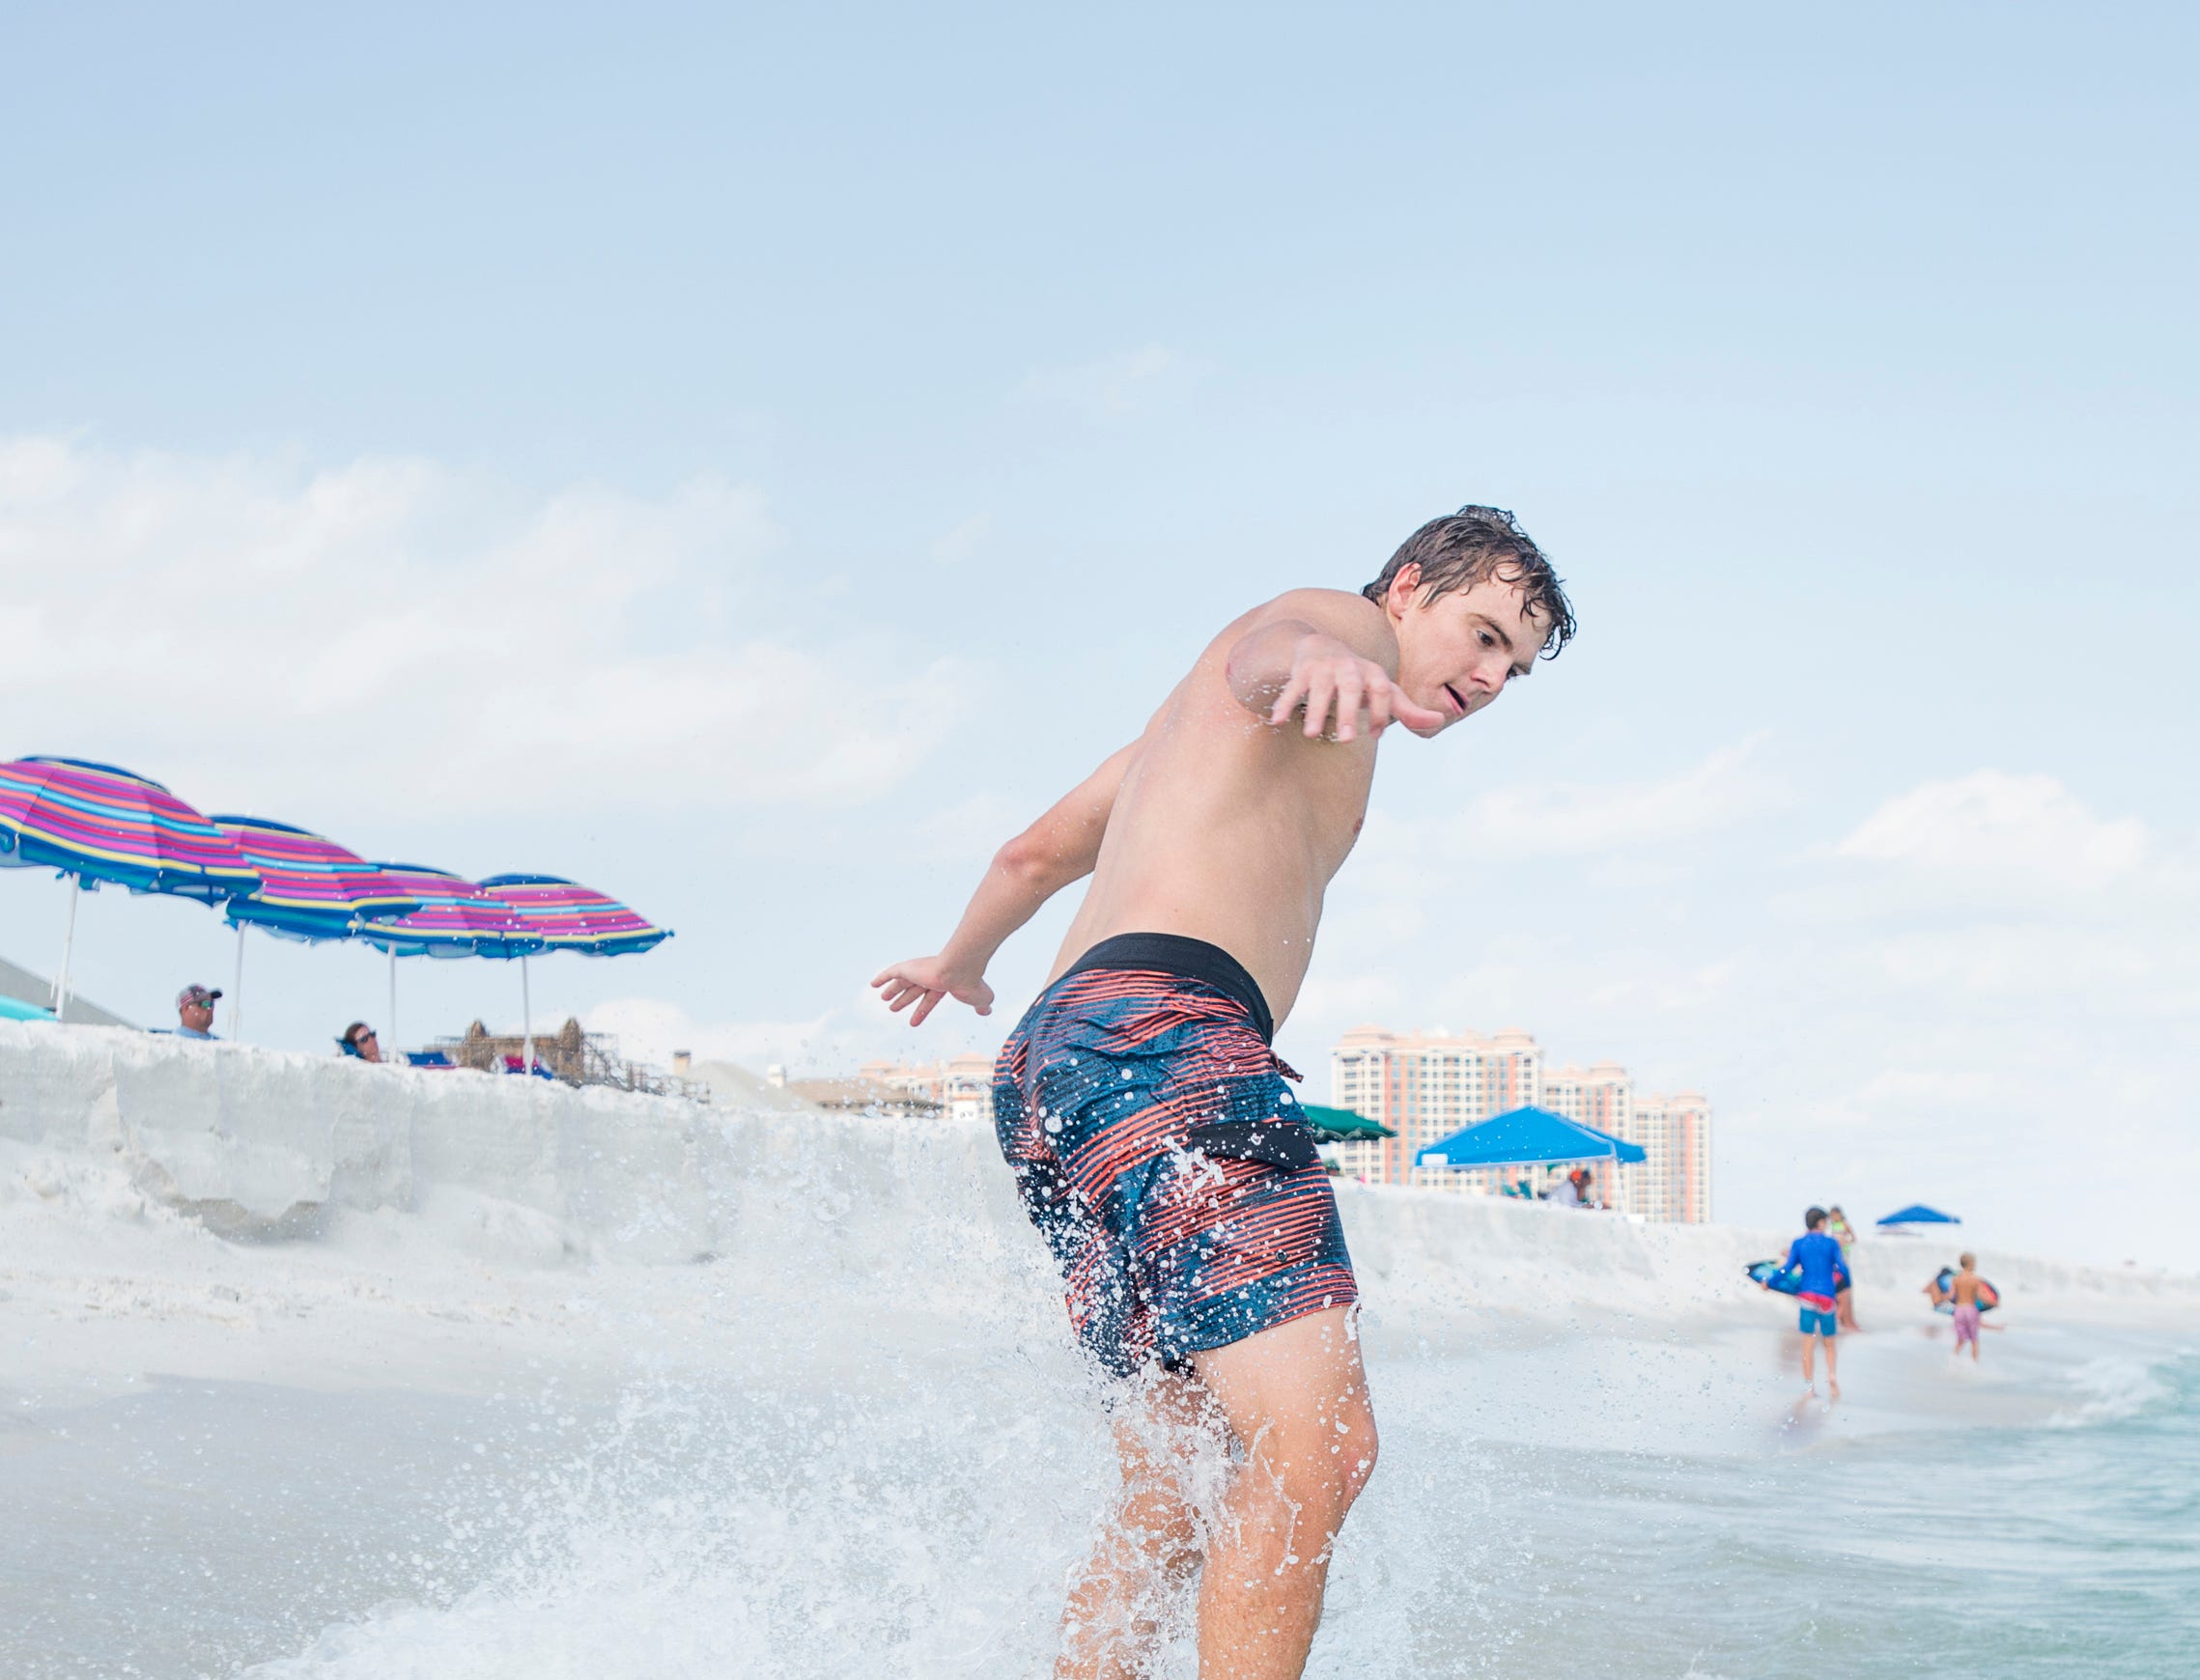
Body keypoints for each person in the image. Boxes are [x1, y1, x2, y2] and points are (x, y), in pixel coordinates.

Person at [873, 507, 1574, 1680]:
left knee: (1177, 1476)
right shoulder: (1338, 635)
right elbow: (1275, 644)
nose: (1494, 676)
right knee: (1320, 1448)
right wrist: (1324, 656)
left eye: (1515, 663)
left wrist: (959, 964)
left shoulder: (1175, 739)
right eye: (1485, 634)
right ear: (1408, 590)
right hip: (1165, 1038)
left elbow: (1030, 858)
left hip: (1058, 1064)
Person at [1781, 1206, 1851, 1401]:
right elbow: (1842, 1268)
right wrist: (1844, 1285)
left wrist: (1769, 1282)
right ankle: (1832, 1377)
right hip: (1827, 1297)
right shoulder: (1831, 1243)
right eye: (1826, 1222)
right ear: (1820, 1222)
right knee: (1829, 1343)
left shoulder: (1799, 1243)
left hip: (1807, 1297)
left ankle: (1808, 1387)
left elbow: (1787, 1268)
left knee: (1808, 1343)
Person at [1947, 1251, 1988, 1362]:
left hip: (1959, 1310)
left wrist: (1941, 1297)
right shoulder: (1976, 1279)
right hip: (1970, 1309)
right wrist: (1993, 1303)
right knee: (1974, 1340)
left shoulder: (1956, 1279)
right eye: (1974, 1262)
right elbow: (1982, 1296)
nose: (1975, 1265)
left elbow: (1950, 1296)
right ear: (1970, 1264)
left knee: (1961, 1338)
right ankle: (1974, 1364)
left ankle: (1952, 1359)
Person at [1827, 1205, 1860, 1330]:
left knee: (1843, 1280)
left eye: (1835, 1215)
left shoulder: (1845, 1224)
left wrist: (1846, 1242)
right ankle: (1839, 1315)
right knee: (1836, 1280)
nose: (1833, 1217)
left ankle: (1845, 1317)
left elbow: (1853, 1238)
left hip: (1843, 1254)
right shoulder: (1832, 1226)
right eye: (1832, 1215)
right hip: (1834, 1254)